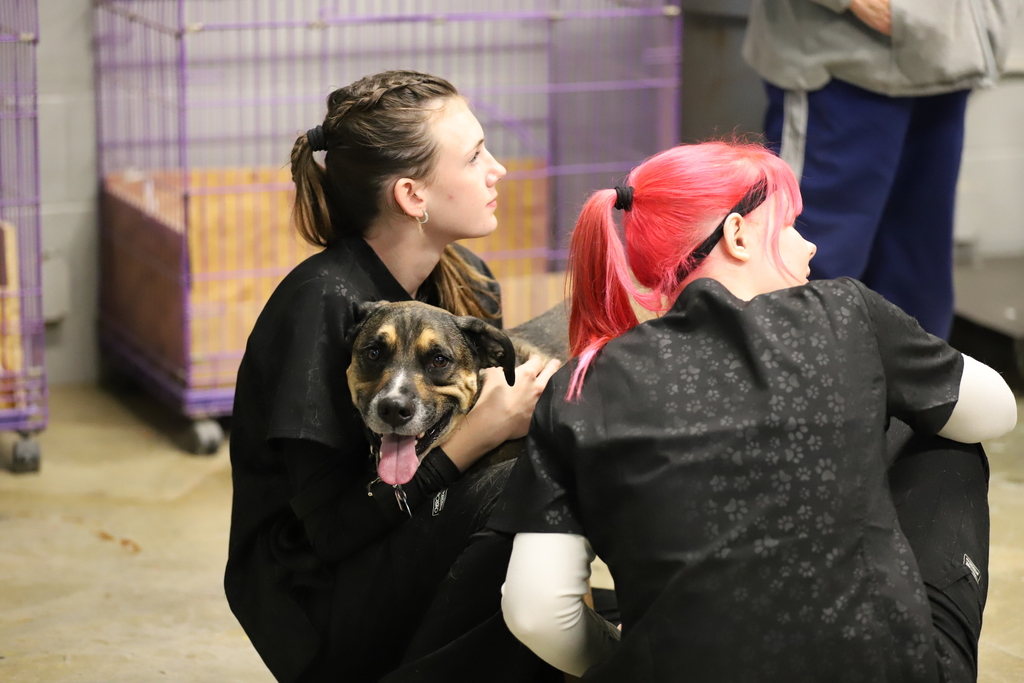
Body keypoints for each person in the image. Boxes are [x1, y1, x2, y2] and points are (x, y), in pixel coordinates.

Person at [490, 140, 1018, 681]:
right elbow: (998, 410)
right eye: (790, 224)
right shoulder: (843, 312)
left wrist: (624, 660)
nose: (809, 246)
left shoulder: (581, 385)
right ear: (737, 236)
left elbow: (535, 613)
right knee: (939, 425)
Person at [224, 70, 562, 683]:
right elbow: (329, 533)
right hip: (319, 601)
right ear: (413, 195)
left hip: (399, 534)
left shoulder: (465, 281)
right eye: (476, 155)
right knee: (515, 490)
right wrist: (473, 438)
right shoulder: (321, 304)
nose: (498, 171)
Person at [742, 0, 1023, 339]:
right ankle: (796, 389)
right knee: (812, 267)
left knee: (916, 278)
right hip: (842, 62)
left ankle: (912, 391)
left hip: (946, 57)